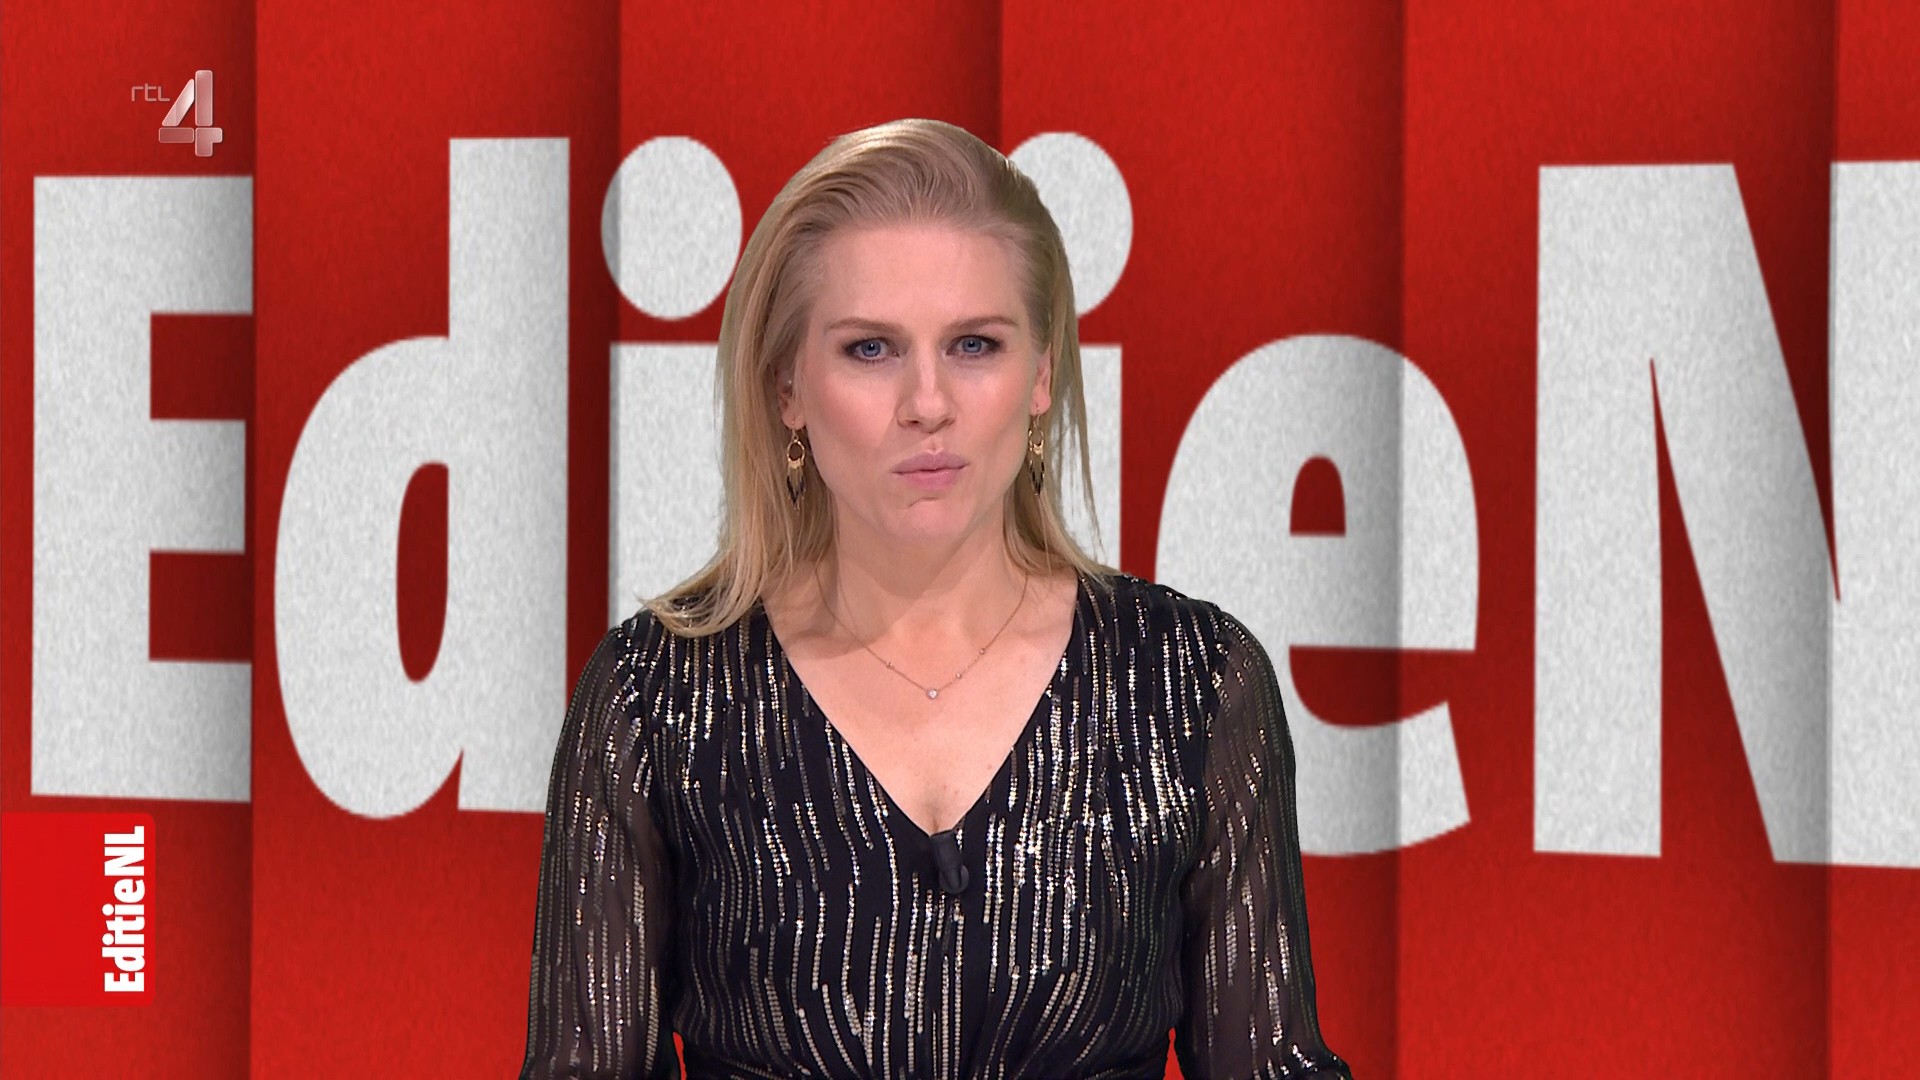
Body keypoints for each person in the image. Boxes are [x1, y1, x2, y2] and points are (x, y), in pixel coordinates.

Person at [518, 118, 1351, 1080]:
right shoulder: (656, 696)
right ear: (787, 387)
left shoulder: (1192, 682)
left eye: (975, 345)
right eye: (871, 349)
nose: (927, 402)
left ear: (1041, 375)